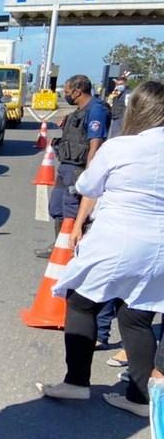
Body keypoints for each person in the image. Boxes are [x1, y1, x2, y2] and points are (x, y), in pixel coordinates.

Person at [37, 80, 164, 417]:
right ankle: (141, 398)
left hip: (119, 239)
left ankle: (77, 382)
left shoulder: (121, 147)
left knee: (80, 303)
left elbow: (86, 185)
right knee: (136, 316)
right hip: (160, 249)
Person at [36, 75, 109, 258]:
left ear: (78, 91)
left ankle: (74, 249)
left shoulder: (96, 111)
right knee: (57, 207)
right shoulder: (79, 110)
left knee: (72, 209)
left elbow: (95, 143)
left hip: (79, 168)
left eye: (68, 92)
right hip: (67, 166)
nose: (66, 95)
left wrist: (90, 174)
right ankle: (59, 245)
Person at [107, 72, 130, 140]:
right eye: (117, 84)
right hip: (116, 118)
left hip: (122, 120)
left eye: (120, 84)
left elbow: (128, 107)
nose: (118, 86)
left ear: (125, 84)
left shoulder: (127, 94)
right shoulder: (117, 94)